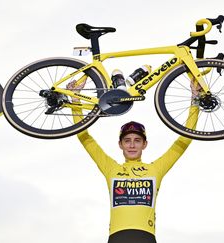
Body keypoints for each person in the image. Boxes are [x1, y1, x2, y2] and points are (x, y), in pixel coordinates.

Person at [68, 79, 199, 243]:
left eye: (137, 140)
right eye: (127, 140)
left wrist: (195, 100)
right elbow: (84, 137)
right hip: (117, 237)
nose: (131, 145)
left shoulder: (155, 169)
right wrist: (75, 99)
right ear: (120, 145)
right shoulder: (111, 168)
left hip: (146, 237)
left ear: (144, 144)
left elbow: (185, 138)